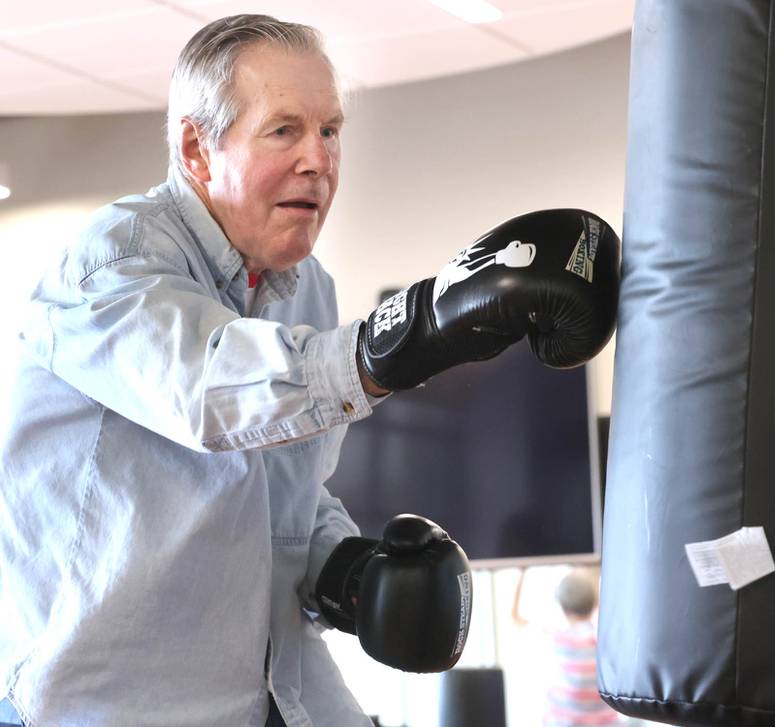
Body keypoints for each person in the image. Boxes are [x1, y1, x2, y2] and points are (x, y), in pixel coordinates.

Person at [0, 13, 620, 727]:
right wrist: (423, 324)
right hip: (99, 706)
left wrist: (341, 568)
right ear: (198, 150)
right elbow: (213, 392)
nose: (318, 160)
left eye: (330, 131)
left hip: (273, 693)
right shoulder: (112, 268)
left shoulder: (307, 289)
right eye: (285, 130)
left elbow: (286, 490)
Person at [541, 569, 622, 727]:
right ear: (594, 603)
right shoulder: (603, 640)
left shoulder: (559, 639)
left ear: (562, 606)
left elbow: (516, 618)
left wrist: (522, 572)